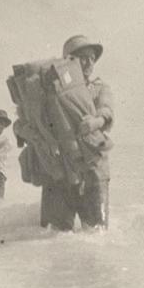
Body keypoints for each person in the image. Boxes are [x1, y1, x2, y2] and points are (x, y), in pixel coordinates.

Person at [42, 35, 114, 230]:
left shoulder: (99, 88)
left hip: (93, 166)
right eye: (83, 57)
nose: (89, 61)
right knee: (54, 234)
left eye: (92, 57)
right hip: (61, 168)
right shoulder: (51, 89)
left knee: (96, 232)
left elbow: (107, 112)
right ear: (68, 61)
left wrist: (96, 121)